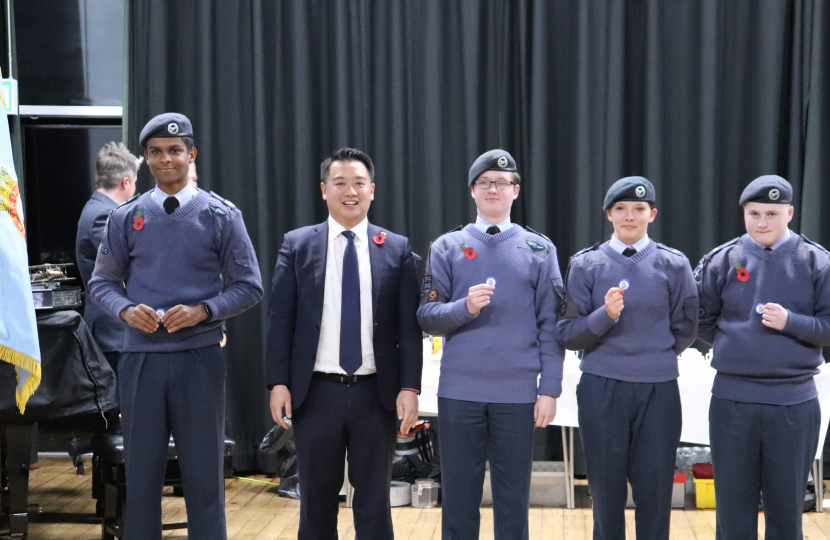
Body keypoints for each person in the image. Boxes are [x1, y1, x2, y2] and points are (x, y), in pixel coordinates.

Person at [89, 112, 263, 540]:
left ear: (191, 154)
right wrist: (127, 311)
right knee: (142, 480)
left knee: (204, 481)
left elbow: (250, 286)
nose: (166, 160)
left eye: (175, 151)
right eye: (156, 153)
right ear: (146, 160)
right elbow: (102, 282)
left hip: (199, 361)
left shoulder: (222, 215)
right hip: (141, 362)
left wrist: (206, 310)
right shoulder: (126, 218)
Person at [266, 147, 422, 540]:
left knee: (373, 503)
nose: (349, 191)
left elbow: (408, 328)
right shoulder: (297, 245)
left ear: (372, 190)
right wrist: (278, 383)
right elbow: (280, 321)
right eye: (339, 183)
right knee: (316, 502)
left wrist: (409, 387)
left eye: (358, 183)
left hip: (376, 393)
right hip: (315, 393)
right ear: (323, 190)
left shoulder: (397, 249)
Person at [417, 149, 563, 540]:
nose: (493, 189)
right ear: (472, 191)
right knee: (460, 499)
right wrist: (464, 308)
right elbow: (426, 318)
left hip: (516, 395)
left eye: (502, 183)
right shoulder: (446, 246)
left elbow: (552, 326)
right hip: (459, 392)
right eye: (485, 183)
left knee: (513, 500)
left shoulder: (540, 250)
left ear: (516, 191)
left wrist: (549, 390)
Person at [557, 177, 698, 540]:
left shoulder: (674, 265)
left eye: (638, 209)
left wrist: (653, 357)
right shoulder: (586, 265)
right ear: (609, 214)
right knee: (606, 493)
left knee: (654, 492)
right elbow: (568, 332)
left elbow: (686, 328)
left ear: (652, 214)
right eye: (621, 208)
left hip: (658, 389)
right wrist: (605, 316)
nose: (630, 216)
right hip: (602, 387)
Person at [696, 175, 830, 540]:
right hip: (732, 403)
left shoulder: (816, 261)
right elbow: (700, 319)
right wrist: (738, 345)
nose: (762, 222)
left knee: (786, 513)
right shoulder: (722, 260)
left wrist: (792, 323)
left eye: (772, 213)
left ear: (789, 212)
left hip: (794, 405)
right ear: (744, 213)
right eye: (754, 213)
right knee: (732, 512)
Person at [76, 142, 140, 373]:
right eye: (134, 182)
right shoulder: (104, 215)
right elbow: (128, 266)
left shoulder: (96, 208)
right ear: (125, 182)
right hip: (113, 331)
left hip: (113, 329)